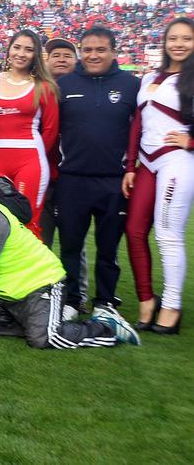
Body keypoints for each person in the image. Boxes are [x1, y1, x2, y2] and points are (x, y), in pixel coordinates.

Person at [0, 162, 140, 349]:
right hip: (5, 292)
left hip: (41, 283)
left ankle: (107, 328)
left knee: (46, 339)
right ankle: (40, 323)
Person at [54, 27, 139, 319]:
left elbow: (141, 130)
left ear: (113, 52)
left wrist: (133, 167)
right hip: (72, 179)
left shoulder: (131, 85)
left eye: (101, 50)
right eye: (87, 50)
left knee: (108, 248)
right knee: (70, 245)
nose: (93, 55)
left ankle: (105, 301)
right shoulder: (64, 84)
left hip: (114, 181)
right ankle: (71, 300)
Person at [124, 17, 194, 334]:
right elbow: (138, 123)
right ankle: (146, 300)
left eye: (186, 38)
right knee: (134, 230)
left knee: (167, 234)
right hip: (146, 164)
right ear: (164, 42)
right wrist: (130, 167)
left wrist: (190, 141)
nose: (179, 44)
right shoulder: (150, 76)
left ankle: (172, 306)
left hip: (176, 161)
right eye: (173, 38)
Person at [0, 29, 59, 238]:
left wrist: (32, 155)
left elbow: (50, 130)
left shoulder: (44, 86)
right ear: (9, 50)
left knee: (28, 221)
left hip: (30, 161)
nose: (21, 54)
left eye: (28, 49)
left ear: (35, 55)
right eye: (17, 47)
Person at [39, 37, 79, 250]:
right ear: (46, 61)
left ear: (76, 61)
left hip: (74, 178)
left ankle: (76, 276)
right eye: (55, 55)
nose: (61, 59)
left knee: (74, 243)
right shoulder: (35, 90)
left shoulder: (85, 93)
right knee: (41, 240)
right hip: (44, 177)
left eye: (67, 56)